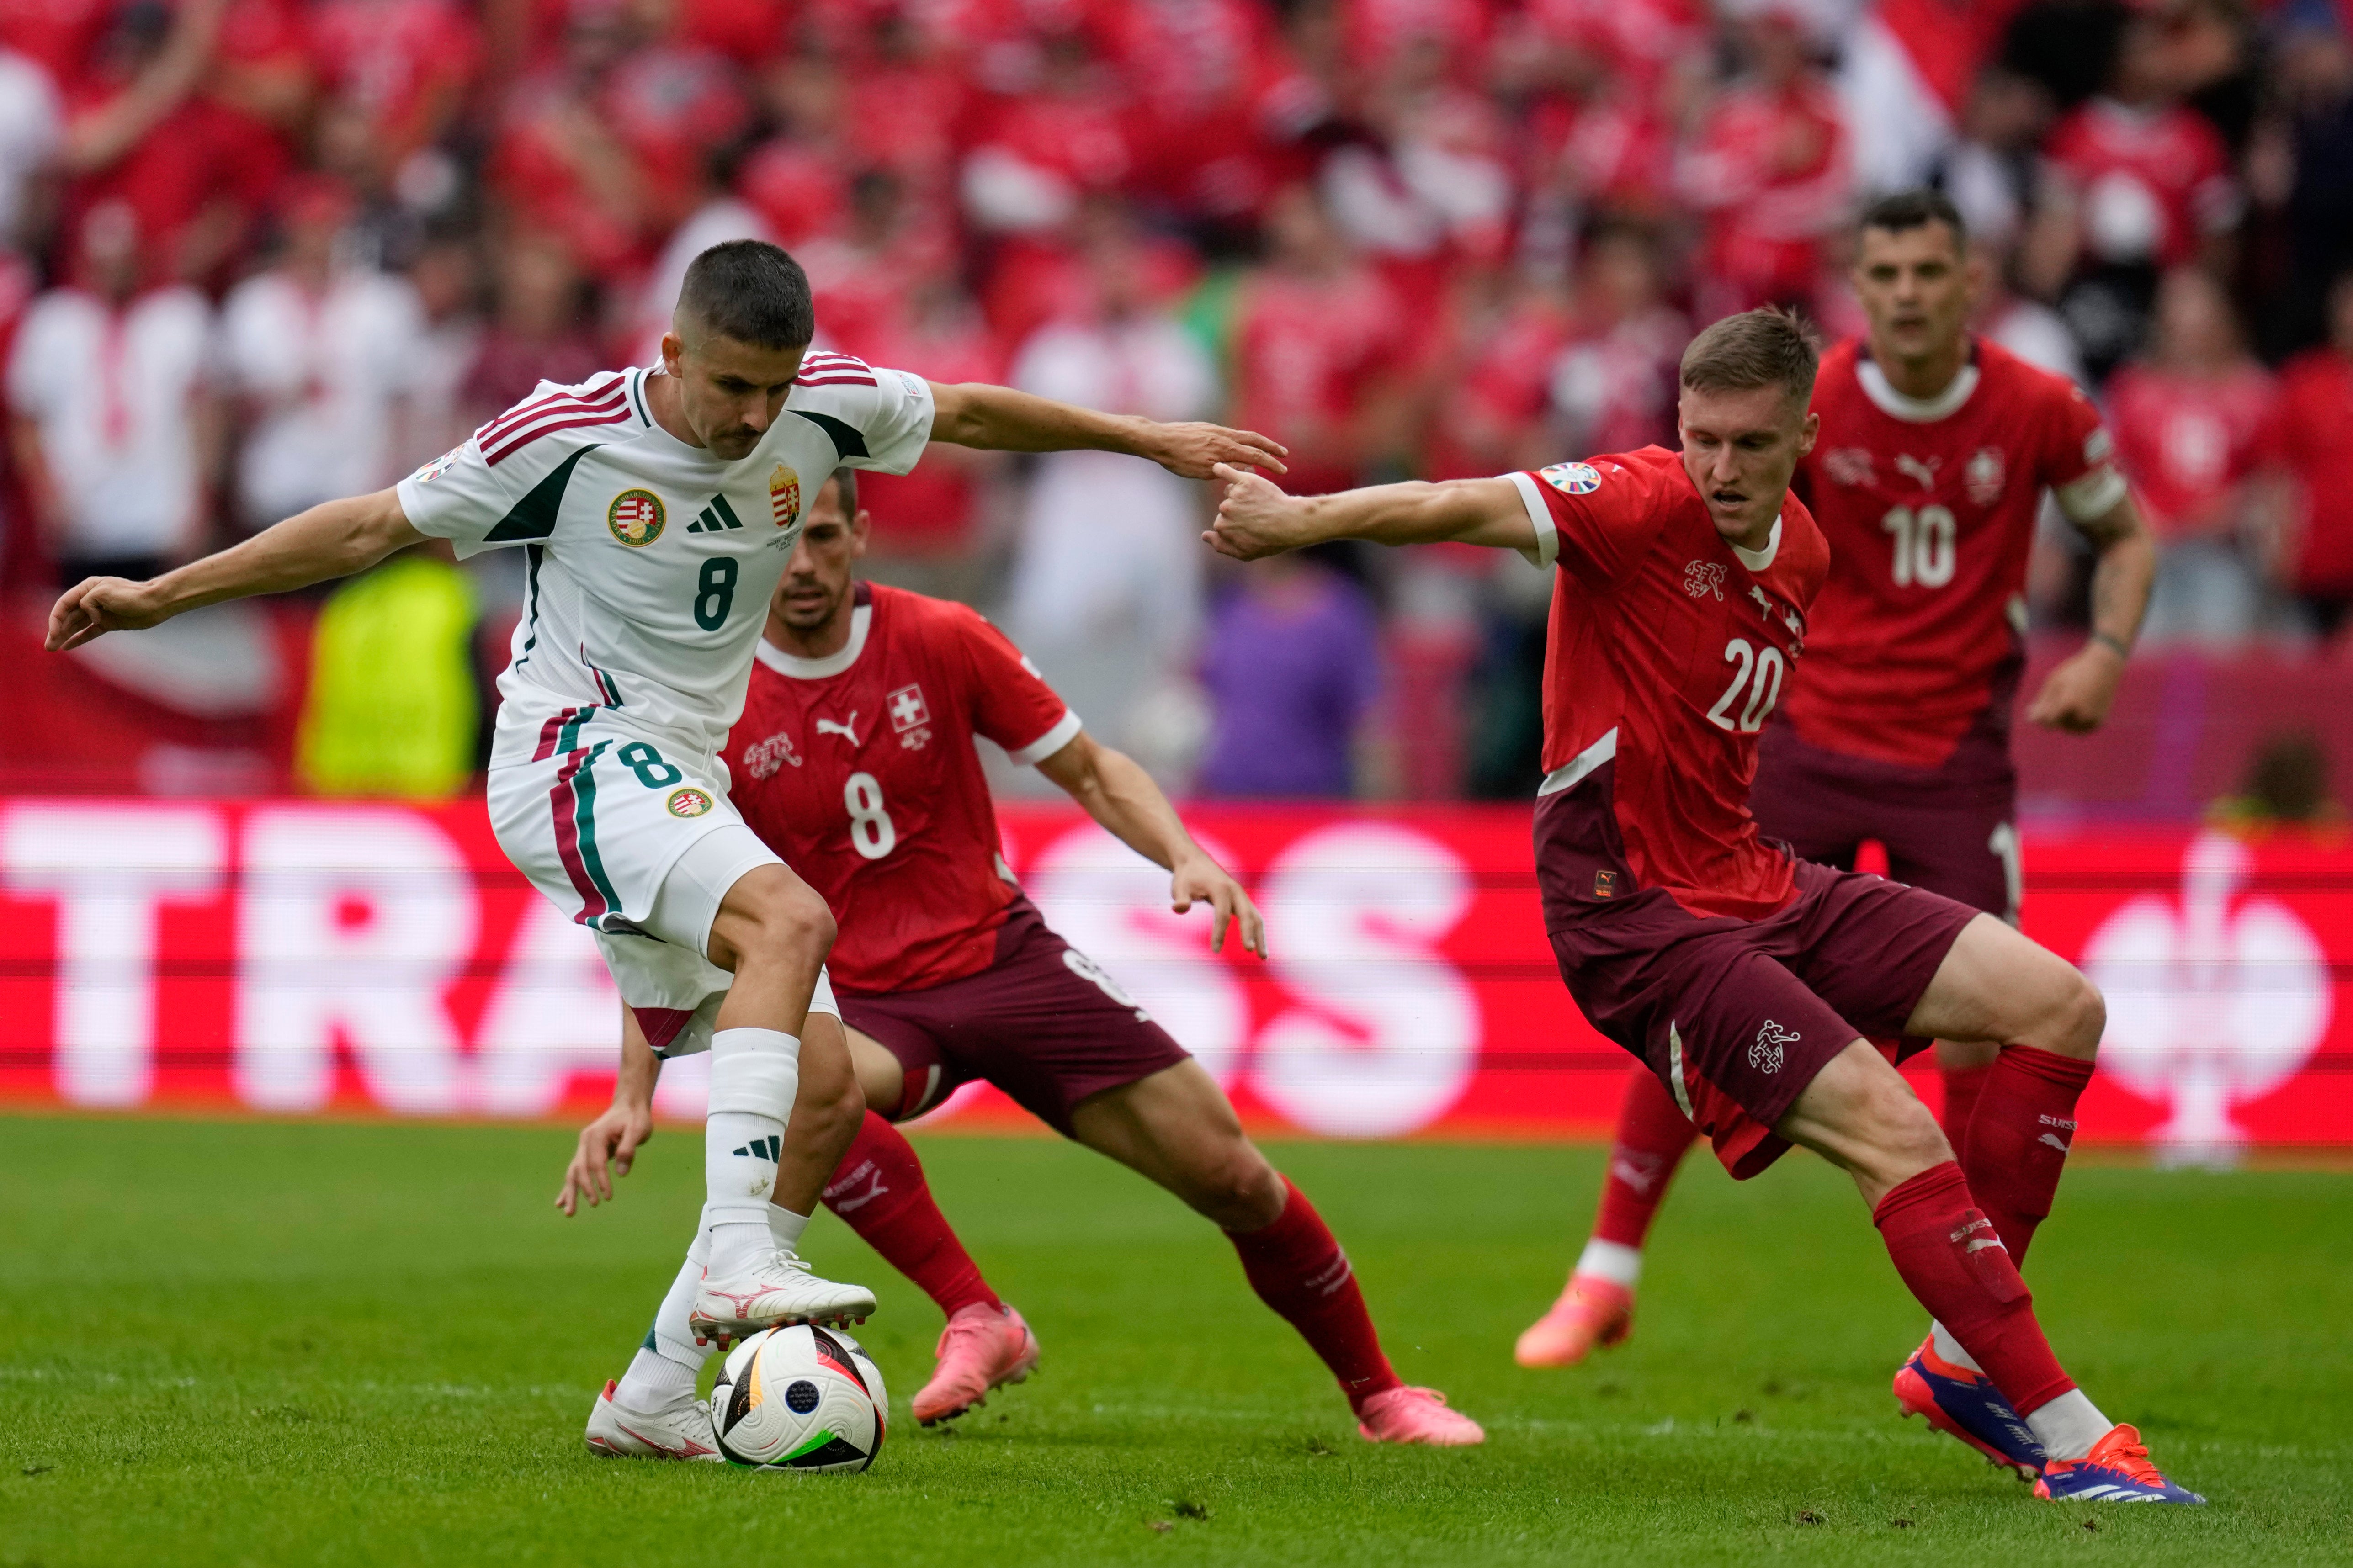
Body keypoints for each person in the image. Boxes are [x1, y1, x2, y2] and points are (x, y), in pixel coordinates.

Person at [46, 238, 1286, 1370]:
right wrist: (162, 596)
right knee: (793, 925)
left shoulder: (819, 404)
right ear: (671, 353)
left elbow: (961, 410)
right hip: (570, 751)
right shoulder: (566, 437)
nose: (757, 418)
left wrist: (1147, 439)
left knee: (820, 1089)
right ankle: (743, 1261)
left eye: (776, 389)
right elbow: (371, 525)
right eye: (732, 387)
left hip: (675, 773)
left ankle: (651, 1393)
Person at [1204, 307, 2203, 1505]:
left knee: (2056, 1005)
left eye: (1748, 444)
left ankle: (1956, 1356)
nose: (1720, 470)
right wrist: (1301, 521)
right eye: (1700, 439)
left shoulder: (1805, 555)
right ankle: (2065, 1432)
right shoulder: (1631, 498)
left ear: (1804, 438)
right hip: (1631, 914)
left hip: (1757, 882)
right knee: (1897, 1133)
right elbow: (1454, 503)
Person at [558, 470, 1484, 1457]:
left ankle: (1383, 1395)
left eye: (823, 536)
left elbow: (1087, 766)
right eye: (781, 541)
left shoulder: (942, 636)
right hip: (861, 999)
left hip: (1004, 958)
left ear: (861, 532)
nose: (802, 565)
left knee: (1234, 1177)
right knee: (800, 1090)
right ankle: (976, 1312)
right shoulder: (709, 698)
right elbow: (663, 904)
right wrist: (633, 1090)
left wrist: (1182, 852)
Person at [1513, 190, 2160, 1485]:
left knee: (2003, 1023)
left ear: (1970, 279)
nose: (1906, 293)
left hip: (1952, 758)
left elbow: (2123, 529)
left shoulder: (2034, 407)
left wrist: (2101, 649)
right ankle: (1607, 1266)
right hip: (1798, 743)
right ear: (1859, 286)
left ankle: (1965, 1338)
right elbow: (1681, 534)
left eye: (1929, 269)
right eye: (1883, 272)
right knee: (1700, 948)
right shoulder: (1795, 407)